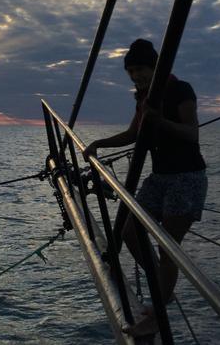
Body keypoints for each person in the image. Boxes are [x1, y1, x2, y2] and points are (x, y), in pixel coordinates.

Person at [83, 38, 207, 336]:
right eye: (131, 71)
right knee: (128, 232)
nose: (136, 75)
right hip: (160, 177)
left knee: (169, 249)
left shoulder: (180, 90)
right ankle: (163, 287)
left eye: (141, 69)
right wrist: (99, 143)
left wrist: (159, 121)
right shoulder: (143, 99)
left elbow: (192, 134)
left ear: (155, 67)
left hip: (187, 178)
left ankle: (158, 312)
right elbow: (133, 134)